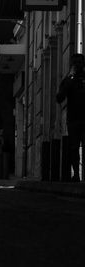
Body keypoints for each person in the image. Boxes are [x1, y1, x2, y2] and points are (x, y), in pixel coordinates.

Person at [56, 53, 85, 182]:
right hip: (73, 119)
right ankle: (76, 175)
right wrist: (70, 77)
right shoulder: (68, 80)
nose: (78, 65)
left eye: (80, 62)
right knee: (74, 148)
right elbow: (59, 98)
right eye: (75, 63)